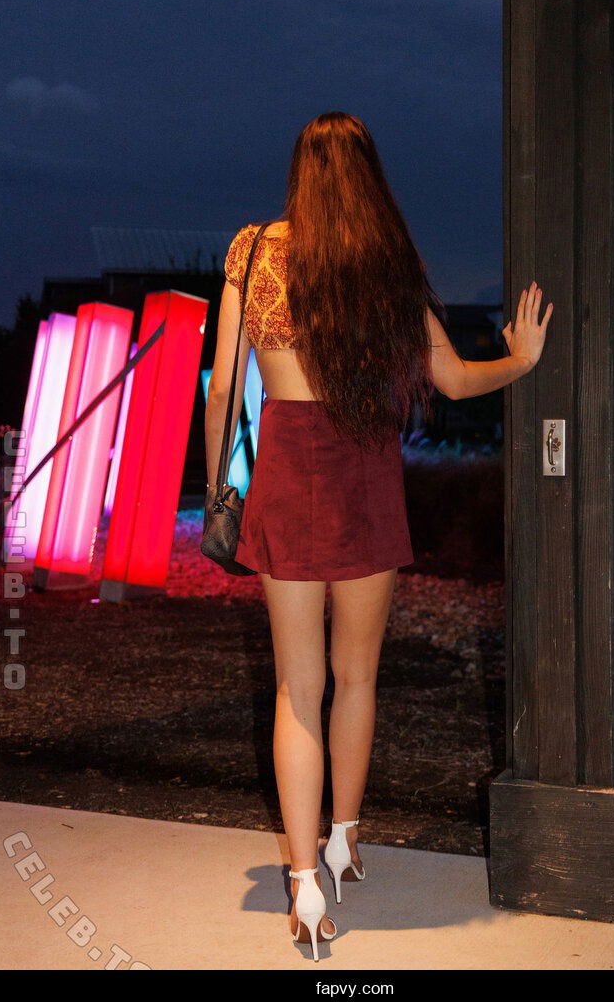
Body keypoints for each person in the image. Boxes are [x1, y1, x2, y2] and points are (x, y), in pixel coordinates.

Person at [204, 112, 553, 961]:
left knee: (298, 691)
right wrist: (520, 360)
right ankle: (344, 840)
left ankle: (303, 887)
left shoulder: (253, 252)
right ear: (369, 176)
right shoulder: (388, 261)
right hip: (364, 474)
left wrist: (219, 490)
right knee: (356, 677)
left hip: (287, 476)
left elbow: (221, 390)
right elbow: (453, 379)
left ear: (300, 172)